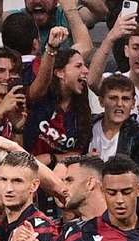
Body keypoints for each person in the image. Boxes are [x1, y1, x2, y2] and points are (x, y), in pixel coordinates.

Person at [26, 34, 93, 169]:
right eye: (78, 66)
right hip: (28, 172)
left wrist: (51, 158)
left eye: (85, 66)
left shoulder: (81, 110)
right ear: (60, 73)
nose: (86, 71)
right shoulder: (41, 99)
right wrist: (51, 47)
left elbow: (79, 154)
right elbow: (40, 83)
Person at [87, 19, 139, 120]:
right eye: (135, 48)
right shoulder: (113, 82)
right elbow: (92, 81)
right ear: (126, 51)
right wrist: (110, 38)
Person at [89, 75, 139, 162]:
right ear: (101, 101)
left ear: (133, 103)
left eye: (125, 99)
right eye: (113, 98)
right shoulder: (87, 126)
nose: (119, 104)